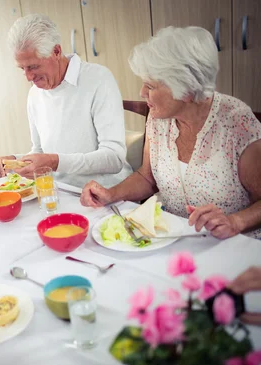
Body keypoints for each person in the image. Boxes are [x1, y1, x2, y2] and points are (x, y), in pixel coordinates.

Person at [81, 26, 261, 239]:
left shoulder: (236, 123)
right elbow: (148, 178)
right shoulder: (159, 119)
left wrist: (235, 222)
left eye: (150, 86)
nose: (141, 93)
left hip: (232, 247)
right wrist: (110, 194)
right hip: (172, 240)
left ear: (185, 90)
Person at [0, 14, 132, 188]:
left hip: (106, 193)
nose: (28, 77)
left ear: (56, 52)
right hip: (61, 191)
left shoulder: (98, 79)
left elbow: (113, 158)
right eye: (22, 69)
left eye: (33, 66)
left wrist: (55, 162)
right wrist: (13, 162)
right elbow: (40, 152)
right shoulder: (35, 94)